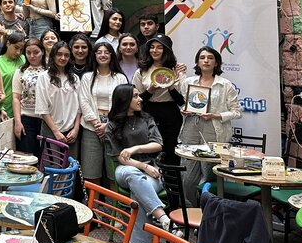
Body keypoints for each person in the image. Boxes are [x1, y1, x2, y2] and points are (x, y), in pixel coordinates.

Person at [106, 84, 178, 243]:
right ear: (124, 100)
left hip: (152, 170)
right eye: (136, 96)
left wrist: (135, 148)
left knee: (139, 194)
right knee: (132, 174)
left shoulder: (147, 118)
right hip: (126, 169)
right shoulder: (112, 125)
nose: (141, 99)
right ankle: (163, 218)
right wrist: (142, 165)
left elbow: (159, 144)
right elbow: (118, 157)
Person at [178, 46, 242, 206]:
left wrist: (215, 115)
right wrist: (184, 111)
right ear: (197, 62)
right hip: (190, 130)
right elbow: (185, 105)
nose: (206, 60)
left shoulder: (225, 85)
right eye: (202, 57)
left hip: (214, 132)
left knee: (209, 178)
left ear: (216, 62)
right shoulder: (188, 82)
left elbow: (237, 112)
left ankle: (209, 212)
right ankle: (191, 212)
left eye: (210, 58)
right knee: (187, 179)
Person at [78, 42, 128, 187]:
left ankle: (113, 207)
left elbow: (123, 103)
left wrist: (108, 125)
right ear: (94, 55)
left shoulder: (120, 78)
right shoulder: (87, 77)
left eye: (106, 52)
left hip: (114, 127)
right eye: (99, 52)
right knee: (91, 172)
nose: (103, 55)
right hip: (90, 127)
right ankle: (93, 207)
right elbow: (84, 100)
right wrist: (96, 124)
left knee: (114, 172)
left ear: (112, 55)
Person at [132, 34, 187, 164]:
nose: (154, 51)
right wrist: (151, 90)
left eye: (159, 48)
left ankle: (172, 183)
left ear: (166, 50)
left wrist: (171, 86)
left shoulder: (177, 70)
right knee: (150, 150)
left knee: (171, 152)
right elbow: (137, 99)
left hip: (170, 114)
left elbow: (182, 101)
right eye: (152, 47)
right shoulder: (141, 71)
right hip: (148, 112)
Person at [35, 41, 80, 159]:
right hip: (51, 129)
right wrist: (56, 132)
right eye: (59, 54)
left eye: (66, 55)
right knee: (52, 169)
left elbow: (79, 107)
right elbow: (42, 108)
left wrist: (76, 129)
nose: (63, 58)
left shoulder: (74, 78)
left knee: (70, 169)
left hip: (71, 132)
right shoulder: (44, 77)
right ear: (53, 56)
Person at [12, 38, 46, 156]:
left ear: (42, 51)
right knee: (27, 156)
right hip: (26, 118)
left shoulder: (50, 70)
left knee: (45, 157)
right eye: (28, 53)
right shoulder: (20, 71)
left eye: (36, 52)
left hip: (46, 119)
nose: (32, 56)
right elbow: (16, 98)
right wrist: (17, 122)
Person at [0, 32, 26, 120]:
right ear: (8, 43)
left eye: (21, 49)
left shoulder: (23, 59)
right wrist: (1, 108)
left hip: (23, 107)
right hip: (5, 106)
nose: (18, 52)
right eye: (16, 48)